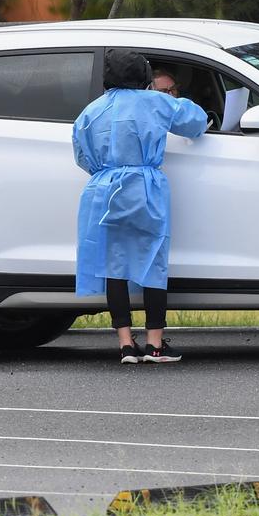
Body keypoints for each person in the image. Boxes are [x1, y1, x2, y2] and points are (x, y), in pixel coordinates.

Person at [73, 48, 207, 365]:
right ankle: (155, 344)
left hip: (103, 190)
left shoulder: (92, 110)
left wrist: (107, 172)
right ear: (143, 77)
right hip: (145, 188)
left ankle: (125, 345)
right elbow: (195, 121)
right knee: (153, 261)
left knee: (113, 265)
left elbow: (81, 155)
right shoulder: (155, 102)